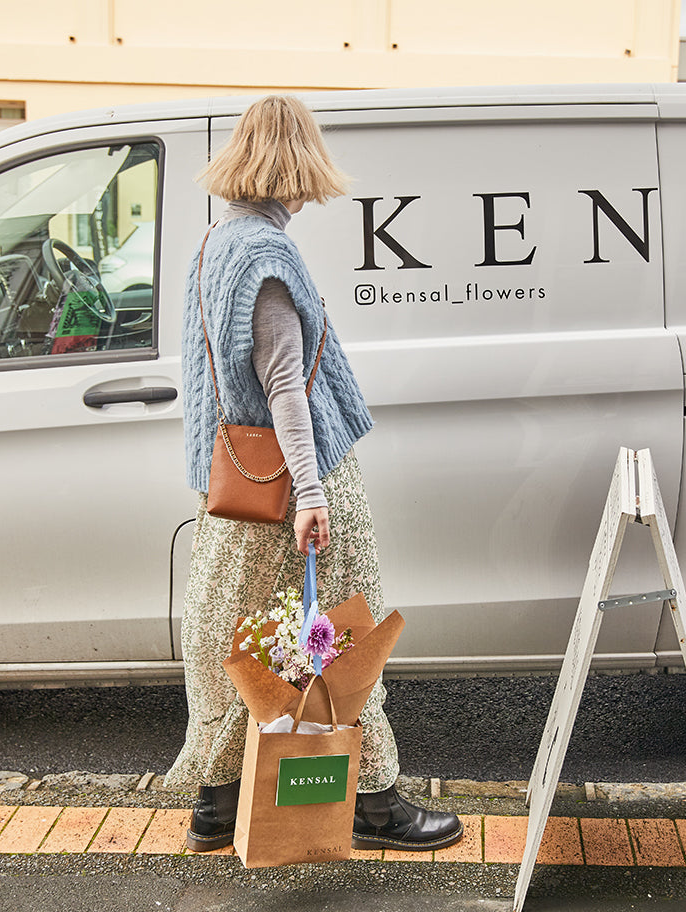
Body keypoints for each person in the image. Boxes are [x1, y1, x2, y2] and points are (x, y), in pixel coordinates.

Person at [164, 94, 463, 855]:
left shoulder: (213, 244)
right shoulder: (267, 256)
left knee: (238, 642)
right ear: (291, 168)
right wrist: (313, 492)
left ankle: (215, 800)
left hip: (232, 488)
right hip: (292, 486)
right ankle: (373, 802)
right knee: (344, 638)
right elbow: (285, 385)